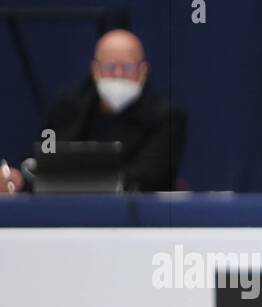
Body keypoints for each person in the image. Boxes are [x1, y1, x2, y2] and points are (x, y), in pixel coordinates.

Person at [2, 28, 186, 194]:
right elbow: (39, 163)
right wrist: (19, 179)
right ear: (95, 69)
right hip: (64, 215)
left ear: (143, 70)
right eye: (110, 67)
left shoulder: (167, 118)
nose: (118, 75)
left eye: (128, 67)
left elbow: (150, 177)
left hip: (137, 221)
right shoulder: (67, 109)